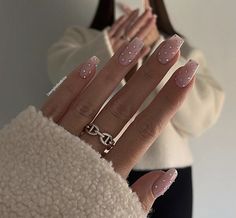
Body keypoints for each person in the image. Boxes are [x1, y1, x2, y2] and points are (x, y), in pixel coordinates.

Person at [47, 0, 225, 217]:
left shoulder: (182, 49)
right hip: (93, 166)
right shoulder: (80, 39)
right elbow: (60, 84)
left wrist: (160, 52)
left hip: (169, 174)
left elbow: (200, 118)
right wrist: (107, 48)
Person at [1, 36, 197, 217]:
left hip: (170, 164)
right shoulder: (80, 34)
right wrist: (109, 42)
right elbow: (59, 72)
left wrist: (156, 41)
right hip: (66, 162)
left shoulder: (187, 47)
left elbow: (199, 119)